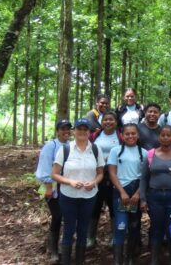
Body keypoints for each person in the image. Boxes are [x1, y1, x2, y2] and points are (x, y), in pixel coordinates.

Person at [51, 118, 105, 265]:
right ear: (74, 131)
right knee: (68, 229)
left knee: (83, 230)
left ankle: (80, 261)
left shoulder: (95, 149)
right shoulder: (65, 149)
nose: (82, 132)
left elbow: (100, 173)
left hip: (89, 196)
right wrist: (70, 181)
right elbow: (54, 174)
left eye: (85, 129)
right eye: (79, 129)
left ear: (89, 132)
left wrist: (93, 182)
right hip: (68, 196)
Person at [140, 125, 171, 265]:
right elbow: (143, 178)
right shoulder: (150, 155)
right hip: (155, 198)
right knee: (156, 228)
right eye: (163, 135)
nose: (166, 137)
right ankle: (154, 259)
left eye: (169, 135)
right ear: (159, 137)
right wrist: (143, 199)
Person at [108, 123, 148, 265]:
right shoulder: (115, 151)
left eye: (133, 133)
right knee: (121, 225)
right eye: (127, 134)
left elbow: (145, 176)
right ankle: (118, 260)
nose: (130, 136)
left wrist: (138, 194)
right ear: (122, 135)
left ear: (137, 135)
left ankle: (130, 257)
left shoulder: (144, 152)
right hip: (121, 193)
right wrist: (122, 192)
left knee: (134, 225)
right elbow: (112, 173)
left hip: (135, 193)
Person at [35, 119, 72, 264]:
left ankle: (63, 246)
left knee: (66, 216)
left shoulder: (70, 146)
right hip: (51, 186)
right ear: (57, 131)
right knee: (57, 216)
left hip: (66, 186)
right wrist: (49, 187)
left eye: (68, 129)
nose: (66, 132)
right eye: (63, 129)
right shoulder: (51, 146)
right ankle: (53, 250)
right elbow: (44, 168)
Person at [87, 111, 123, 249]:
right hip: (96, 175)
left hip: (115, 175)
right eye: (105, 120)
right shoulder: (95, 136)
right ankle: (90, 237)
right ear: (101, 122)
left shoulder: (121, 135)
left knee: (114, 205)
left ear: (116, 122)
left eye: (111, 120)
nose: (108, 122)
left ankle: (114, 236)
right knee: (95, 205)